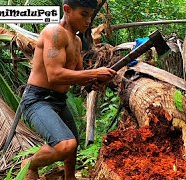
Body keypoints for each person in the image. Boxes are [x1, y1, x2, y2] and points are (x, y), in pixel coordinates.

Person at [20, 0, 117, 179]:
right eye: (83, 14)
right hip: (38, 100)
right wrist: (95, 72)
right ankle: (30, 164)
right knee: (65, 144)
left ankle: (70, 177)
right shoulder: (54, 32)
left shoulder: (77, 41)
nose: (88, 21)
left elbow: (76, 75)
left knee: (73, 144)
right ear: (67, 10)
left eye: (90, 15)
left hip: (59, 100)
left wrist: (92, 80)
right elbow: (55, 75)